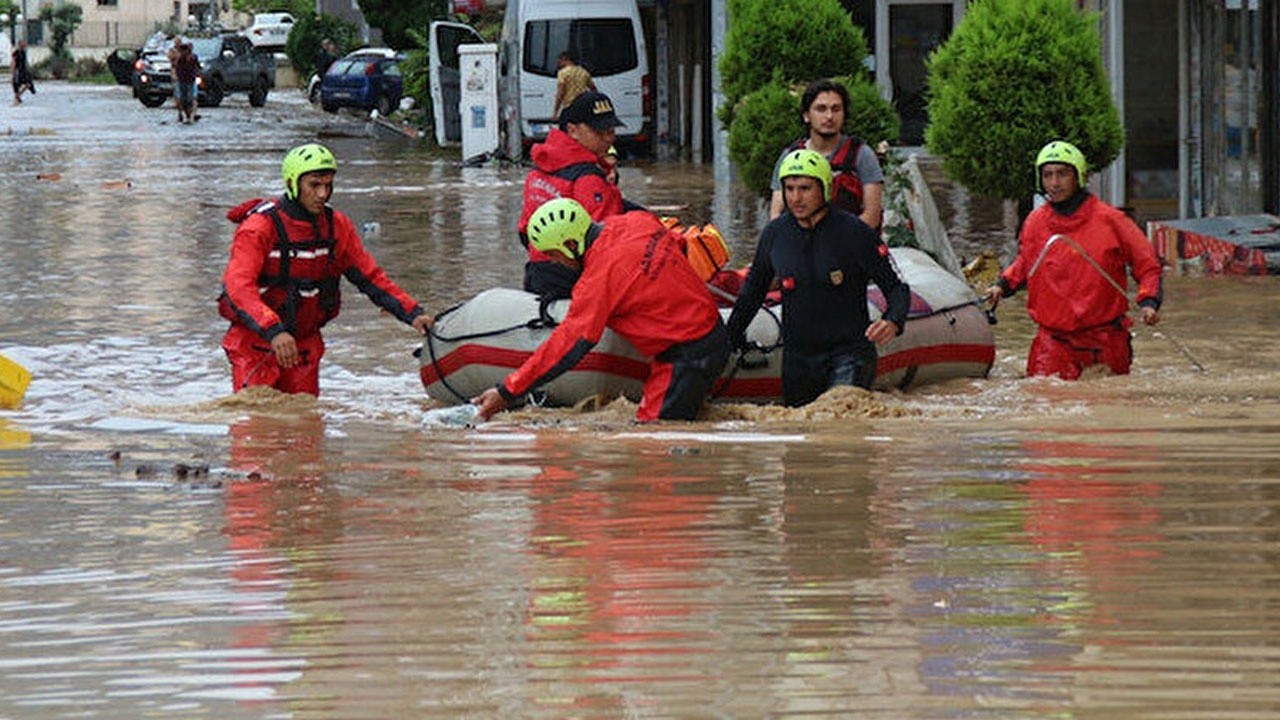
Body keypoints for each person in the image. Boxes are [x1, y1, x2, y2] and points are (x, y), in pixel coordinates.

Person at [475, 198, 730, 423]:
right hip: (710, 331)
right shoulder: (637, 221)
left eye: (554, 255)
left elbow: (567, 347)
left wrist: (507, 391)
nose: (555, 263)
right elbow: (679, 244)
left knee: (653, 446)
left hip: (687, 356)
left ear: (571, 245)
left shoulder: (597, 281)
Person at [218, 143, 433, 396]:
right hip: (256, 346)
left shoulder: (336, 226)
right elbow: (239, 288)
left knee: (307, 426)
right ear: (292, 183)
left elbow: (370, 277)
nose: (323, 194)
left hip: (303, 346)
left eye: (328, 185)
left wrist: (413, 314)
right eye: (315, 185)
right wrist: (274, 331)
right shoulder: (258, 228)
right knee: (257, 426)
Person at [727, 149, 909, 408]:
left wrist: (893, 320)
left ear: (825, 189)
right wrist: (727, 340)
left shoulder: (854, 233)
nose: (796, 198)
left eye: (805, 189)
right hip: (798, 360)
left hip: (849, 355)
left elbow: (896, 288)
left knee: (839, 432)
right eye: (789, 189)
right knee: (800, 440)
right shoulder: (775, 235)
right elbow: (752, 293)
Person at [982, 140, 1163, 380]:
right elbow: (1027, 263)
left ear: (1078, 176)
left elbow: (1147, 263)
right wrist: (1001, 286)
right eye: (1047, 175)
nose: (1054, 183)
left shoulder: (1111, 220)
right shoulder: (1035, 222)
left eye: (1062, 174)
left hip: (1105, 341)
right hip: (1053, 343)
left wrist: (1149, 302)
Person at [517, 91, 627, 300]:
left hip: (536, 273)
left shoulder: (538, 171)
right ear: (572, 130)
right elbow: (605, 242)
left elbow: (524, 231)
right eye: (600, 131)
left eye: (612, 130)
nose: (609, 138)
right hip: (574, 280)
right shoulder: (588, 178)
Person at [768, 79, 885, 231]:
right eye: (821, 109)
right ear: (806, 115)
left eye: (836, 109)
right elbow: (776, 214)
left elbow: (872, 216)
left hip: (850, 244)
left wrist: (831, 242)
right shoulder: (790, 156)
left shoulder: (861, 155)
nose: (829, 116)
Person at [552, 51, 596, 121]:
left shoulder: (563, 73)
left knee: (566, 129)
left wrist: (555, 112)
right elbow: (593, 89)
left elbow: (560, 93)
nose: (558, 63)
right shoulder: (583, 71)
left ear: (564, 59)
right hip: (583, 107)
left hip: (570, 107)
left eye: (559, 61)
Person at [172, 41, 201, 124]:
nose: (183, 52)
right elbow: (175, 67)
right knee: (183, 99)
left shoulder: (193, 57)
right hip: (182, 80)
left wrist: (197, 74)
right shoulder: (180, 59)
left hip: (190, 80)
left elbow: (197, 67)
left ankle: (190, 116)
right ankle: (185, 115)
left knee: (190, 98)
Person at [11, 40, 34, 105]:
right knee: (16, 85)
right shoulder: (16, 53)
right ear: (20, 45)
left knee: (28, 84)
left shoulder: (23, 52)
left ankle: (17, 97)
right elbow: (13, 62)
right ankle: (17, 98)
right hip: (18, 71)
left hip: (23, 71)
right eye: (23, 44)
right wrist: (12, 72)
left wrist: (29, 69)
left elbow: (25, 62)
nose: (24, 45)